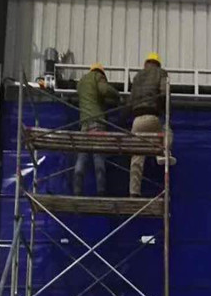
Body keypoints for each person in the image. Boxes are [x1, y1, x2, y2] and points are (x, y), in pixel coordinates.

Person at [128, 52, 175, 197]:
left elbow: (130, 101)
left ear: (146, 63)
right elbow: (164, 93)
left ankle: (134, 192)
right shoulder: (161, 73)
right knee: (167, 130)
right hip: (152, 117)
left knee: (137, 157)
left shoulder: (137, 76)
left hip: (137, 120)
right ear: (158, 64)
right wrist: (165, 110)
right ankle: (163, 152)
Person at [74, 63, 120, 196]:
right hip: (97, 122)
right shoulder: (97, 76)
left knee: (81, 157)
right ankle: (101, 191)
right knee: (98, 157)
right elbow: (104, 90)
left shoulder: (81, 82)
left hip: (84, 124)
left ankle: (77, 190)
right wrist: (117, 95)